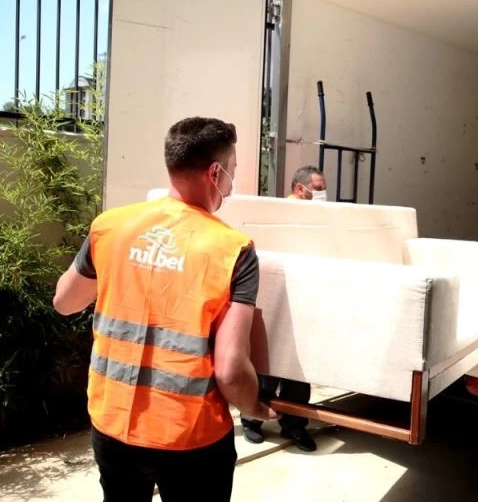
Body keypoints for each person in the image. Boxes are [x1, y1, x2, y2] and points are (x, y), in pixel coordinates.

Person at [53, 116, 278, 502]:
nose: (231, 182)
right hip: (191, 435)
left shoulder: (110, 227)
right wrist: (255, 406)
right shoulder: (233, 250)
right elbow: (230, 369)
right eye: (233, 170)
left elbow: (65, 302)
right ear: (215, 172)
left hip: (113, 424)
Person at [239, 165, 327, 452]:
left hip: (304, 303)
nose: (323, 194)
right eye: (318, 188)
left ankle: (294, 424)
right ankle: (252, 420)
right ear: (300, 189)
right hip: (274, 300)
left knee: (298, 373)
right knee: (267, 367)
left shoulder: (317, 219)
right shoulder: (276, 214)